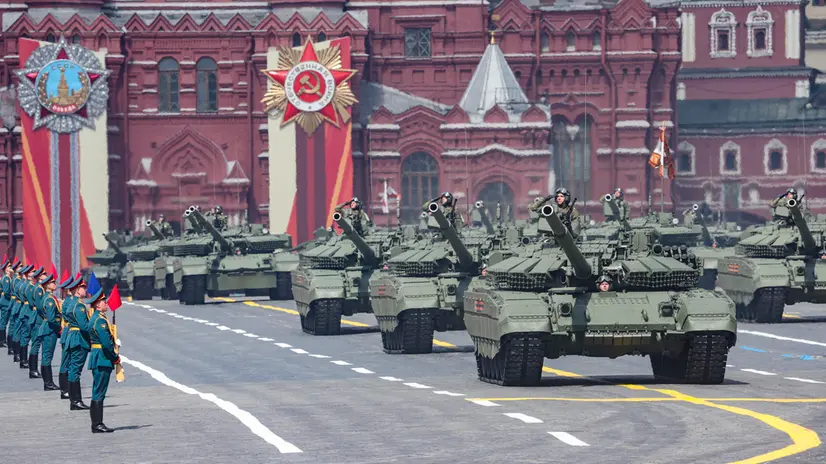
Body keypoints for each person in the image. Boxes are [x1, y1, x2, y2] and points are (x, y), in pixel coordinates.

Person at [86, 288, 119, 433]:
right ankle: (97, 424)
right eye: (104, 301)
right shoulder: (100, 321)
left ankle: (97, 423)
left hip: (98, 355)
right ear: (98, 305)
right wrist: (115, 357)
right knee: (99, 391)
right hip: (102, 357)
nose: (106, 304)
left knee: (97, 390)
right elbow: (106, 343)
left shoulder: (97, 318)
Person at [64, 275, 90, 410]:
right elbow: (84, 326)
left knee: (73, 369)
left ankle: (74, 400)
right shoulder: (79, 306)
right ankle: (76, 401)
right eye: (83, 287)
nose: (85, 290)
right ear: (77, 290)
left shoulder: (72, 303)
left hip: (72, 337)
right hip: (79, 338)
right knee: (75, 370)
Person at [36, 266, 60, 391]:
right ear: (47, 285)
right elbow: (51, 318)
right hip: (50, 329)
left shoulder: (47, 297)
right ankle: (48, 383)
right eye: (52, 282)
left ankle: (48, 382)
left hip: (47, 327)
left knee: (46, 355)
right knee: (47, 356)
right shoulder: (49, 299)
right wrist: (59, 327)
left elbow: (40, 310)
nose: (55, 283)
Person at [57, 272, 79, 400]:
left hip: (67, 331)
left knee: (67, 362)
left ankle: (65, 389)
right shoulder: (70, 301)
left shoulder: (67, 300)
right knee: (66, 362)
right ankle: (64, 390)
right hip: (69, 332)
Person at [17, 264, 43, 371]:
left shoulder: (27, 285)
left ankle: (23, 360)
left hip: (27, 311)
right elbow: (33, 303)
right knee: (28, 337)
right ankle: (24, 362)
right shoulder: (30, 287)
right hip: (29, 312)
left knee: (25, 336)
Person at [0, 257, 15, 349]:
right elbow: (6, 292)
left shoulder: (8, 278)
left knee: (4, 320)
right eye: (9, 266)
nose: (11, 268)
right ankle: (2, 340)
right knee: (4, 321)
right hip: (6, 302)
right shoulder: (6, 278)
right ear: (6, 269)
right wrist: (12, 297)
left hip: (5, 301)